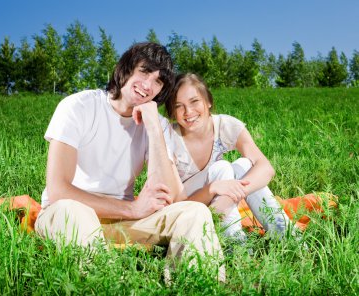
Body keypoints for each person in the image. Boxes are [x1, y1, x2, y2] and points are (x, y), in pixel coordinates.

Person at [35, 43, 224, 279]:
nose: (148, 85)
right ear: (126, 68)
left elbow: (169, 196)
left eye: (158, 81)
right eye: (144, 71)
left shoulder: (156, 123)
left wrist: (154, 127)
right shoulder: (78, 107)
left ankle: (198, 284)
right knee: (72, 211)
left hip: (124, 223)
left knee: (194, 212)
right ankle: (107, 283)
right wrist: (133, 208)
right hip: (69, 215)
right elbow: (58, 192)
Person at [165, 73, 292, 241]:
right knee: (222, 167)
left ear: (208, 101)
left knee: (245, 165)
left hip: (220, 205)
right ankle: (235, 245)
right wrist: (212, 189)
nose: (188, 112)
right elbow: (178, 205)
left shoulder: (226, 125)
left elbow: (266, 168)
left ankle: (286, 236)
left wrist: (230, 196)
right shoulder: (168, 138)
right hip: (187, 210)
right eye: (179, 106)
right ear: (172, 111)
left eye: (194, 101)